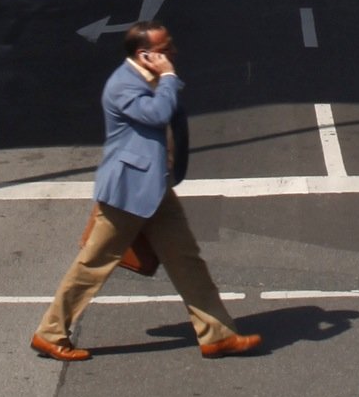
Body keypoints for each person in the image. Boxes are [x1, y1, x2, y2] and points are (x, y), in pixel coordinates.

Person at [32, 22, 259, 362]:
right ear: (145, 54)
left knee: (187, 261)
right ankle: (50, 333)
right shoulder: (123, 84)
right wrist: (167, 78)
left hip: (155, 187)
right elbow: (157, 114)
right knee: (94, 263)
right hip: (128, 191)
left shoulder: (148, 78)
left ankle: (218, 335)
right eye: (166, 49)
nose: (173, 54)